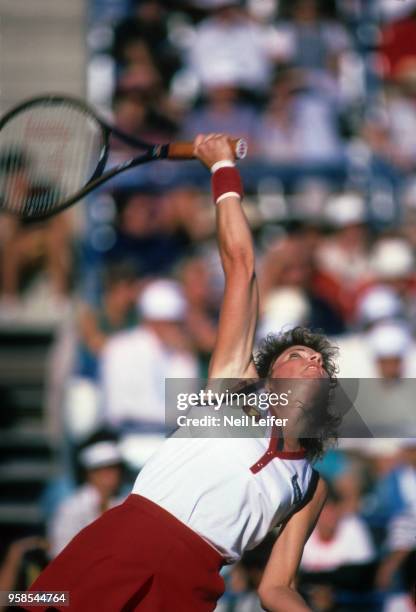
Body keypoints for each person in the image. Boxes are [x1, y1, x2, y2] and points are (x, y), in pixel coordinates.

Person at [26, 135, 340, 612]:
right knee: (33, 602)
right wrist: (220, 169)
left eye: (320, 363)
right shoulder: (230, 395)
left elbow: (277, 588)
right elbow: (241, 266)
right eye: (297, 355)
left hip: (193, 584)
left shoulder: (311, 486)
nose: (312, 362)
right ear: (269, 375)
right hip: (123, 540)